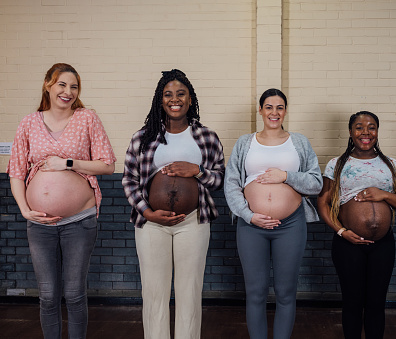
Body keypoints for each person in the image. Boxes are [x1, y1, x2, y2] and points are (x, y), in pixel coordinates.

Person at [7, 63, 116, 339]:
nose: (68, 92)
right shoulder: (29, 122)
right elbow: (16, 171)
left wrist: (67, 163)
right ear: (48, 85)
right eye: (62, 84)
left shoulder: (86, 118)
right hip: (39, 223)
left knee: (74, 294)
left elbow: (107, 165)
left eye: (74, 86)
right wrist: (25, 211)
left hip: (79, 221)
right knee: (47, 295)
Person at [122, 69, 225, 339]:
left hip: (193, 222)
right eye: (168, 94)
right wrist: (148, 212)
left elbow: (219, 180)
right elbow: (129, 181)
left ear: (190, 100)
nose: (175, 99)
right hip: (151, 223)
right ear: (160, 100)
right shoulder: (142, 137)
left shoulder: (207, 137)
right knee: (154, 292)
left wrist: (197, 171)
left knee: (189, 291)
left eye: (181, 94)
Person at [224, 88, 323, 339]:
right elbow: (231, 183)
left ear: (286, 111)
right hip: (251, 226)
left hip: (291, 225)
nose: (274, 112)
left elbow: (315, 183)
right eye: (269, 107)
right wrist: (248, 215)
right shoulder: (245, 143)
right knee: (256, 292)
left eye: (279, 107)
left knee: (286, 292)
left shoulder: (298, 142)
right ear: (260, 110)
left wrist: (286, 176)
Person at [317, 111, 396, 339]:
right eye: (359, 127)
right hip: (348, 243)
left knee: (376, 302)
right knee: (352, 301)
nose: (365, 132)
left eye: (371, 127)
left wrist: (384, 195)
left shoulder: (391, 164)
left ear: (377, 132)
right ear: (351, 133)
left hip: (382, 244)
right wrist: (341, 231)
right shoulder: (337, 164)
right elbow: (322, 202)